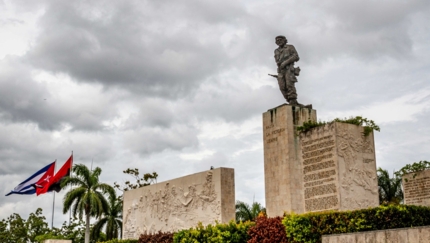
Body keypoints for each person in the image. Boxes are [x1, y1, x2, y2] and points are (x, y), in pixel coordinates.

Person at [274, 35, 302, 106]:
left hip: (289, 68)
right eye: (277, 40)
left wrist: (286, 62)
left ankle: (293, 100)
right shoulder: (276, 51)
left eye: (280, 39)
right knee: (282, 86)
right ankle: (288, 100)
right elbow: (277, 61)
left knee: (289, 84)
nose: (279, 41)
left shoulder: (290, 47)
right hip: (281, 70)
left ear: (285, 40)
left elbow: (296, 56)